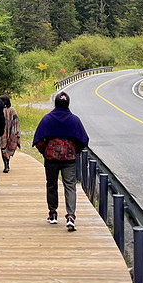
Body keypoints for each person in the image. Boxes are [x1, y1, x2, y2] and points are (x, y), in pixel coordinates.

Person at [32, 90, 89, 231]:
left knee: (51, 184)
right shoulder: (74, 120)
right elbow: (83, 140)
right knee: (70, 186)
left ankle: (53, 214)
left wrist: (45, 151)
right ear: (68, 103)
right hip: (69, 157)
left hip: (51, 157)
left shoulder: (47, 119)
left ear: (55, 103)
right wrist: (75, 150)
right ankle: (71, 216)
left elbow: (38, 139)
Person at [0, 95, 20, 173]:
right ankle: (6, 164)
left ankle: (6, 164)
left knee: (6, 148)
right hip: (3, 132)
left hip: (10, 131)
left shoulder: (11, 110)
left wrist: (15, 131)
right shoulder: (1, 110)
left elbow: (15, 121)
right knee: (4, 148)